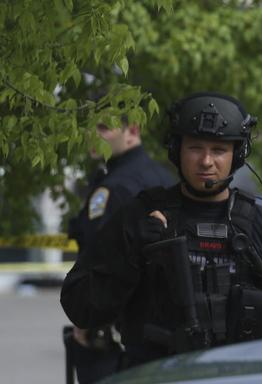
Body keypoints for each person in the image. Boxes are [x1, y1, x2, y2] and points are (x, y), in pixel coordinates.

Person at [60, 92, 262, 371]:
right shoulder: (138, 218)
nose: (206, 161)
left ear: (237, 154)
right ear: (177, 149)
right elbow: (80, 306)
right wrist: (130, 252)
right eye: (195, 148)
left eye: (219, 149)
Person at [64, 116, 175, 384]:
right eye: (89, 126)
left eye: (103, 127)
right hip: (165, 327)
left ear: (133, 131)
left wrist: (86, 329)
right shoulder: (165, 175)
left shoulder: (114, 187)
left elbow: (100, 262)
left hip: (119, 333)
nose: (93, 134)